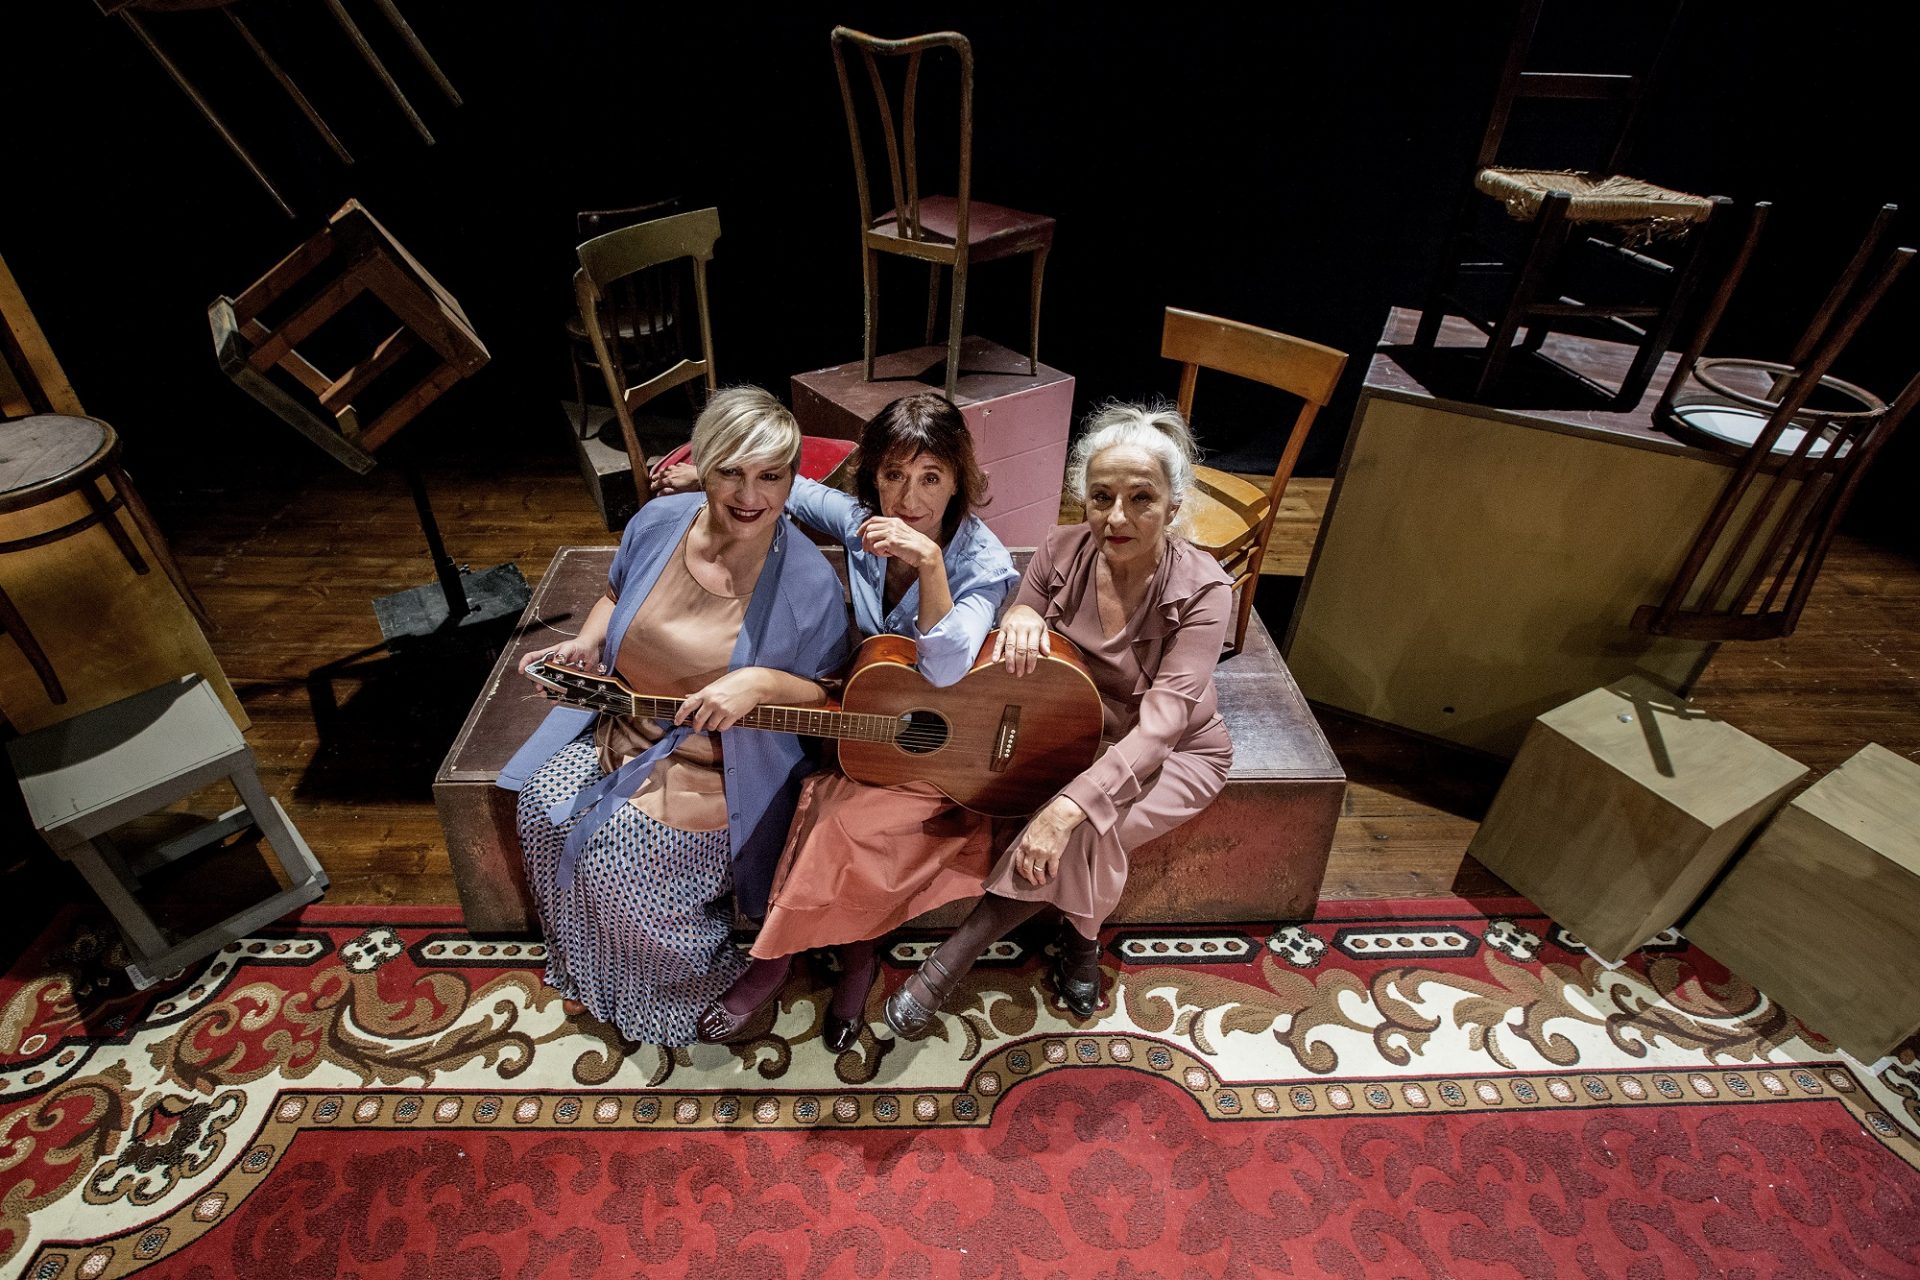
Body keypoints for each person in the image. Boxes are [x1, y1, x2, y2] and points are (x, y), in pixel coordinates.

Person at [655, 391, 1020, 1051]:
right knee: (807, 790)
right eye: (894, 475)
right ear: (873, 476)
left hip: (944, 752)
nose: (909, 498)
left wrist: (929, 563)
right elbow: (790, 491)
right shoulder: (864, 523)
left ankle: (791, 961)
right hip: (869, 721)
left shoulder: (984, 563)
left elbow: (944, 669)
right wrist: (701, 477)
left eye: (931, 477)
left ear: (958, 480)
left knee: (832, 824)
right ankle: (853, 955)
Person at [497, 387, 852, 1048]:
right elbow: (614, 593)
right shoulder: (660, 522)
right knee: (542, 811)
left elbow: (830, 697)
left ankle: (677, 991)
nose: (751, 495)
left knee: (621, 865)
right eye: (731, 472)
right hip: (624, 732)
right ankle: (594, 970)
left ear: (791, 480)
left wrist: (759, 682)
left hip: (717, 771)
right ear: (703, 466)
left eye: (772, 476)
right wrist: (589, 643)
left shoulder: (808, 585)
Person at [883, 402, 1235, 1037]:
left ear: (1173, 505)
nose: (1116, 517)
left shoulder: (1205, 590)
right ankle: (1082, 936)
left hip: (1176, 752)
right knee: (1081, 818)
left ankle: (956, 961)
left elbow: (1162, 725)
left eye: (1141, 498)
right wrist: (1020, 615)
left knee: (1089, 827)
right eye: (1101, 497)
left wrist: (1064, 810)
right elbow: (1025, 605)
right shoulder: (1060, 548)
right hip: (1076, 735)